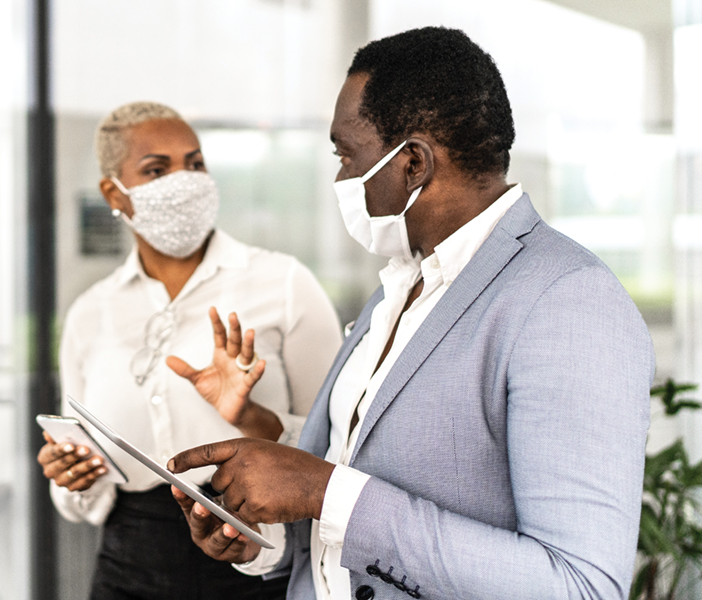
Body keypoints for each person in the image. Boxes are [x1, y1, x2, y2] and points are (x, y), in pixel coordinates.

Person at [164, 27, 655, 599]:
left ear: (413, 163)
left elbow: (579, 586)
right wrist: (256, 537)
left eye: (347, 156)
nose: (342, 178)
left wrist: (325, 491)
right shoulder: (399, 287)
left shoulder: (568, 300)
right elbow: (363, 468)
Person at [36, 101, 343, 600]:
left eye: (195, 164)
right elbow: (84, 491)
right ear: (114, 193)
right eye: (157, 170)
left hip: (256, 555)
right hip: (127, 565)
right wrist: (73, 475)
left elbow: (335, 449)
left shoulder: (284, 284)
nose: (185, 181)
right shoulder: (90, 313)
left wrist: (248, 415)